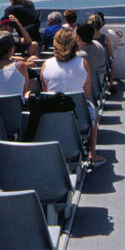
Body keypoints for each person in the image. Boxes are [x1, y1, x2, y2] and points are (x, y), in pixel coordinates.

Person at [42, 29, 103, 166]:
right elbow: (86, 96)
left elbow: (46, 92)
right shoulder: (83, 64)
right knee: (92, 108)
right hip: (78, 118)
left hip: (53, 117)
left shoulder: (46, 65)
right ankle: (92, 153)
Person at [76, 22, 109, 89]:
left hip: (87, 88)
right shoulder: (99, 45)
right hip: (98, 84)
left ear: (78, 37)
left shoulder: (81, 55)